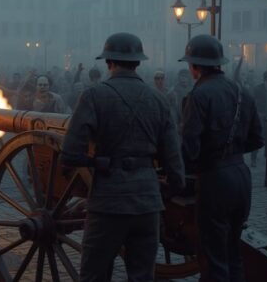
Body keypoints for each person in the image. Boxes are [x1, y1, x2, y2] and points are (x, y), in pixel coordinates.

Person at [60, 33, 185, 281]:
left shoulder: (94, 96)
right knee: (142, 276)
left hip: (108, 203)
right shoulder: (159, 99)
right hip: (148, 205)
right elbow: (175, 166)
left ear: (109, 62)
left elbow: (70, 154)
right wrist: (163, 191)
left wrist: (96, 162)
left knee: (94, 275)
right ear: (138, 62)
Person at [180, 35, 264, 281]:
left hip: (215, 180)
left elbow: (190, 147)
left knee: (214, 257)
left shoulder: (198, 95)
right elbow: (257, 139)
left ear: (195, 66)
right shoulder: (242, 93)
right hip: (241, 177)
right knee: (233, 253)